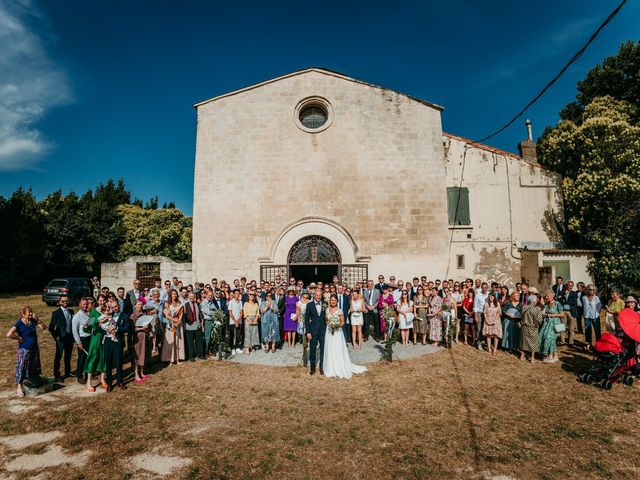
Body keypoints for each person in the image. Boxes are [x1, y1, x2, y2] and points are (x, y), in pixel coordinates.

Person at [322, 295, 367, 379]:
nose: (333, 302)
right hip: (329, 332)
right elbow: (326, 320)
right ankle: (330, 365)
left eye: (334, 300)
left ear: (337, 301)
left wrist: (336, 325)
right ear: (329, 301)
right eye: (331, 300)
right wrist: (330, 324)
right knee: (330, 348)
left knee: (337, 348)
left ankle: (339, 366)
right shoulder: (327, 310)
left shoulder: (340, 310)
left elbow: (342, 322)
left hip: (337, 332)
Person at [7, 305, 46, 397]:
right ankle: (19, 388)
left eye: (31, 311)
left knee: (34, 367)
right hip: (24, 349)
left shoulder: (33, 321)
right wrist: (18, 338)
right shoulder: (19, 323)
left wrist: (37, 319)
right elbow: (9, 334)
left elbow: (43, 327)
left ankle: (31, 383)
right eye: (28, 312)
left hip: (34, 348)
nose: (31, 313)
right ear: (23, 314)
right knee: (21, 368)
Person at [102, 299, 128, 391]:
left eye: (116, 306)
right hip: (108, 341)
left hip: (118, 341)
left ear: (119, 305)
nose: (115, 308)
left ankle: (120, 381)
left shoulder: (124, 315)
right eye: (113, 307)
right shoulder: (108, 315)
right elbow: (102, 326)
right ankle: (109, 383)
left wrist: (117, 328)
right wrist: (106, 329)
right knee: (108, 362)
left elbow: (126, 328)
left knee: (118, 361)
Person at [49, 295, 75, 381]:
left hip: (69, 337)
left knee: (68, 355)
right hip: (61, 338)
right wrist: (56, 337)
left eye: (67, 301)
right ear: (60, 302)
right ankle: (57, 375)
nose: (65, 303)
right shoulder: (56, 313)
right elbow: (51, 328)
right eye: (63, 301)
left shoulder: (71, 311)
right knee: (59, 356)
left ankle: (68, 372)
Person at [305, 289, 327, 375]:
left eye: (319, 295)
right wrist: (308, 332)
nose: (318, 297)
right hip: (312, 330)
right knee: (312, 349)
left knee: (323, 349)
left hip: (322, 330)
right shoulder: (309, 305)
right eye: (316, 295)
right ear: (314, 295)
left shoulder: (325, 304)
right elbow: (306, 320)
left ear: (321, 296)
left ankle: (322, 367)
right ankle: (313, 367)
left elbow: (327, 316)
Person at [130, 301, 152, 383]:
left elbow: (149, 325)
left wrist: (148, 327)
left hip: (145, 336)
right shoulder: (133, 316)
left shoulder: (145, 314)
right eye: (138, 304)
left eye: (141, 304)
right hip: (137, 338)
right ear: (135, 305)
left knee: (143, 354)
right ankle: (136, 374)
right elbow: (133, 329)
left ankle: (142, 372)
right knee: (137, 355)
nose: (140, 306)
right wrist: (142, 328)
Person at [161, 289, 185, 364]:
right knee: (171, 340)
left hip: (178, 324)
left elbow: (181, 313)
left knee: (178, 341)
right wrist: (174, 321)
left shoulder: (179, 303)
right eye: (173, 294)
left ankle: (177, 359)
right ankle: (170, 360)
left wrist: (178, 321)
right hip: (171, 325)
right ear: (170, 295)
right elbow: (167, 315)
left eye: (175, 294)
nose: (174, 295)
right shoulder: (167, 304)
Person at [71, 298, 91, 385]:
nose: (85, 306)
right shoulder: (77, 316)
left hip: (89, 338)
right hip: (82, 339)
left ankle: (88, 374)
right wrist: (78, 342)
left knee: (89, 357)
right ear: (79, 304)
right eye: (83, 304)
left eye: (86, 304)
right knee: (82, 358)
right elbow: (74, 330)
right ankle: (79, 375)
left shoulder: (88, 314)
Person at [539, 291, 562, 363]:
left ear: (552, 296)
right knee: (542, 336)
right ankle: (555, 355)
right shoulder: (546, 304)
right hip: (547, 323)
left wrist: (553, 315)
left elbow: (562, 314)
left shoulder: (557, 303)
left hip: (555, 323)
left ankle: (550, 355)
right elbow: (544, 312)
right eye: (546, 296)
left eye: (547, 296)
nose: (546, 297)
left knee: (549, 338)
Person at [520, 294, 543, 362]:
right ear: (535, 301)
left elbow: (521, 316)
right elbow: (539, 320)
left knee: (523, 342)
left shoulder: (524, 307)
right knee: (533, 342)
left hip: (524, 327)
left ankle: (522, 356)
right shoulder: (537, 309)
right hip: (533, 327)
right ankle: (532, 358)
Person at [183, 291, 205, 361]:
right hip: (189, 326)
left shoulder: (198, 304)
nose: (192, 298)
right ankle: (191, 356)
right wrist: (184, 326)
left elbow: (200, 314)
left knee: (199, 341)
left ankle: (200, 355)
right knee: (190, 342)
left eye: (193, 296)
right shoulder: (185, 305)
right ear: (188, 297)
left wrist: (201, 325)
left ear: (195, 297)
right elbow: (184, 317)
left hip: (197, 325)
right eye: (190, 296)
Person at [583, 285, 602, 351]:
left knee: (597, 331)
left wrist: (596, 314)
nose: (591, 291)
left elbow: (599, 307)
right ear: (588, 290)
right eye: (590, 289)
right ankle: (588, 344)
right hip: (586, 316)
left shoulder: (596, 298)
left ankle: (598, 345)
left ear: (595, 291)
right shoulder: (584, 298)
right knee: (587, 331)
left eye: (593, 290)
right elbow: (583, 306)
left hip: (595, 317)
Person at [473, 282, 489, 350]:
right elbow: (475, 306)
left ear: (487, 288)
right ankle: (479, 343)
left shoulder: (489, 294)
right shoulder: (477, 295)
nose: (484, 289)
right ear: (481, 288)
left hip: (488, 314)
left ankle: (484, 342)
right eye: (483, 288)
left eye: (486, 288)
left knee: (486, 329)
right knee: (479, 329)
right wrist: (476, 316)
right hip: (479, 313)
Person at [228, 289, 243, 354]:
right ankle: (232, 348)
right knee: (232, 335)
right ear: (234, 294)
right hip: (232, 321)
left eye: (238, 293)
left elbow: (241, 312)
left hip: (239, 321)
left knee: (238, 335)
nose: (237, 294)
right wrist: (235, 320)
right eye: (236, 293)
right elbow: (230, 313)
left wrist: (238, 320)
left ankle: (237, 347)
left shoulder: (240, 302)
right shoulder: (231, 302)